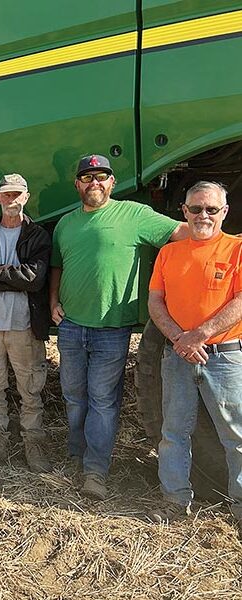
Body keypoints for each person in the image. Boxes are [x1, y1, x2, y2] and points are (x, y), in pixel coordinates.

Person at [50, 154, 188, 499]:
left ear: (112, 182)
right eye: (86, 177)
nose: (93, 183)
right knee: (73, 397)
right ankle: (76, 454)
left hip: (112, 328)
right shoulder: (65, 224)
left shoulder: (135, 215)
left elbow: (182, 234)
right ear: (77, 184)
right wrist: (53, 301)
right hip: (70, 327)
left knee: (101, 399)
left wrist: (220, 234)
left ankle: (95, 469)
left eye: (101, 177)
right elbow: (57, 267)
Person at [146, 181, 242, 526]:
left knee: (236, 435)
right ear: (184, 212)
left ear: (224, 212)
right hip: (178, 356)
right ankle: (175, 501)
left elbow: (240, 301)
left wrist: (199, 335)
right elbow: (155, 301)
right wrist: (179, 338)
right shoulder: (169, 254)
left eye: (211, 209)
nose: (203, 215)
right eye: (196, 209)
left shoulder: (237, 249)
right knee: (173, 432)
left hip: (225, 356)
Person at [0, 174, 52, 472]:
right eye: (6, 195)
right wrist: (14, 278)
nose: (11, 200)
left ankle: (34, 444)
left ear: (26, 197)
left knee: (30, 389)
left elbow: (36, 279)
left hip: (24, 326)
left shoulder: (38, 236)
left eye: (17, 195)